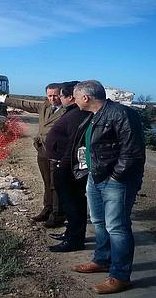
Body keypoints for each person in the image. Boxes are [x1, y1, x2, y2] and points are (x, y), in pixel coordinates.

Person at [70, 80, 146, 294]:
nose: (74, 100)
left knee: (117, 227)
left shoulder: (121, 114)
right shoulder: (95, 116)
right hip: (96, 176)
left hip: (116, 181)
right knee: (99, 222)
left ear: (85, 97)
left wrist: (115, 177)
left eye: (75, 96)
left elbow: (133, 152)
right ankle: (102, 260)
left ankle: (120, 276)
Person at [0, 83, 66, 227]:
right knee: (46, 181)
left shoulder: (67, 110)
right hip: (43, 150)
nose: (52, 99)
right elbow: (23, 103)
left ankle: (58, 215)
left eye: (56, 95)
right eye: (49, 95)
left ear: (62, 94)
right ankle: (48, 209)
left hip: (58, 152)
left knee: (56, 184)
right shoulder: (45, 105)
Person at [44, 81, 91, 252]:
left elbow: (74, 144)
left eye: (61, 96)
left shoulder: (77, 115)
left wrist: (63, 165)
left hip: (69, 167)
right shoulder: (73, 113)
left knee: (74, 204)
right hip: (66, 165)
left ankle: (74, 240)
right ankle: (71, 233)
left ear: (71, 97)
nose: (59, 99)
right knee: (71, 204)